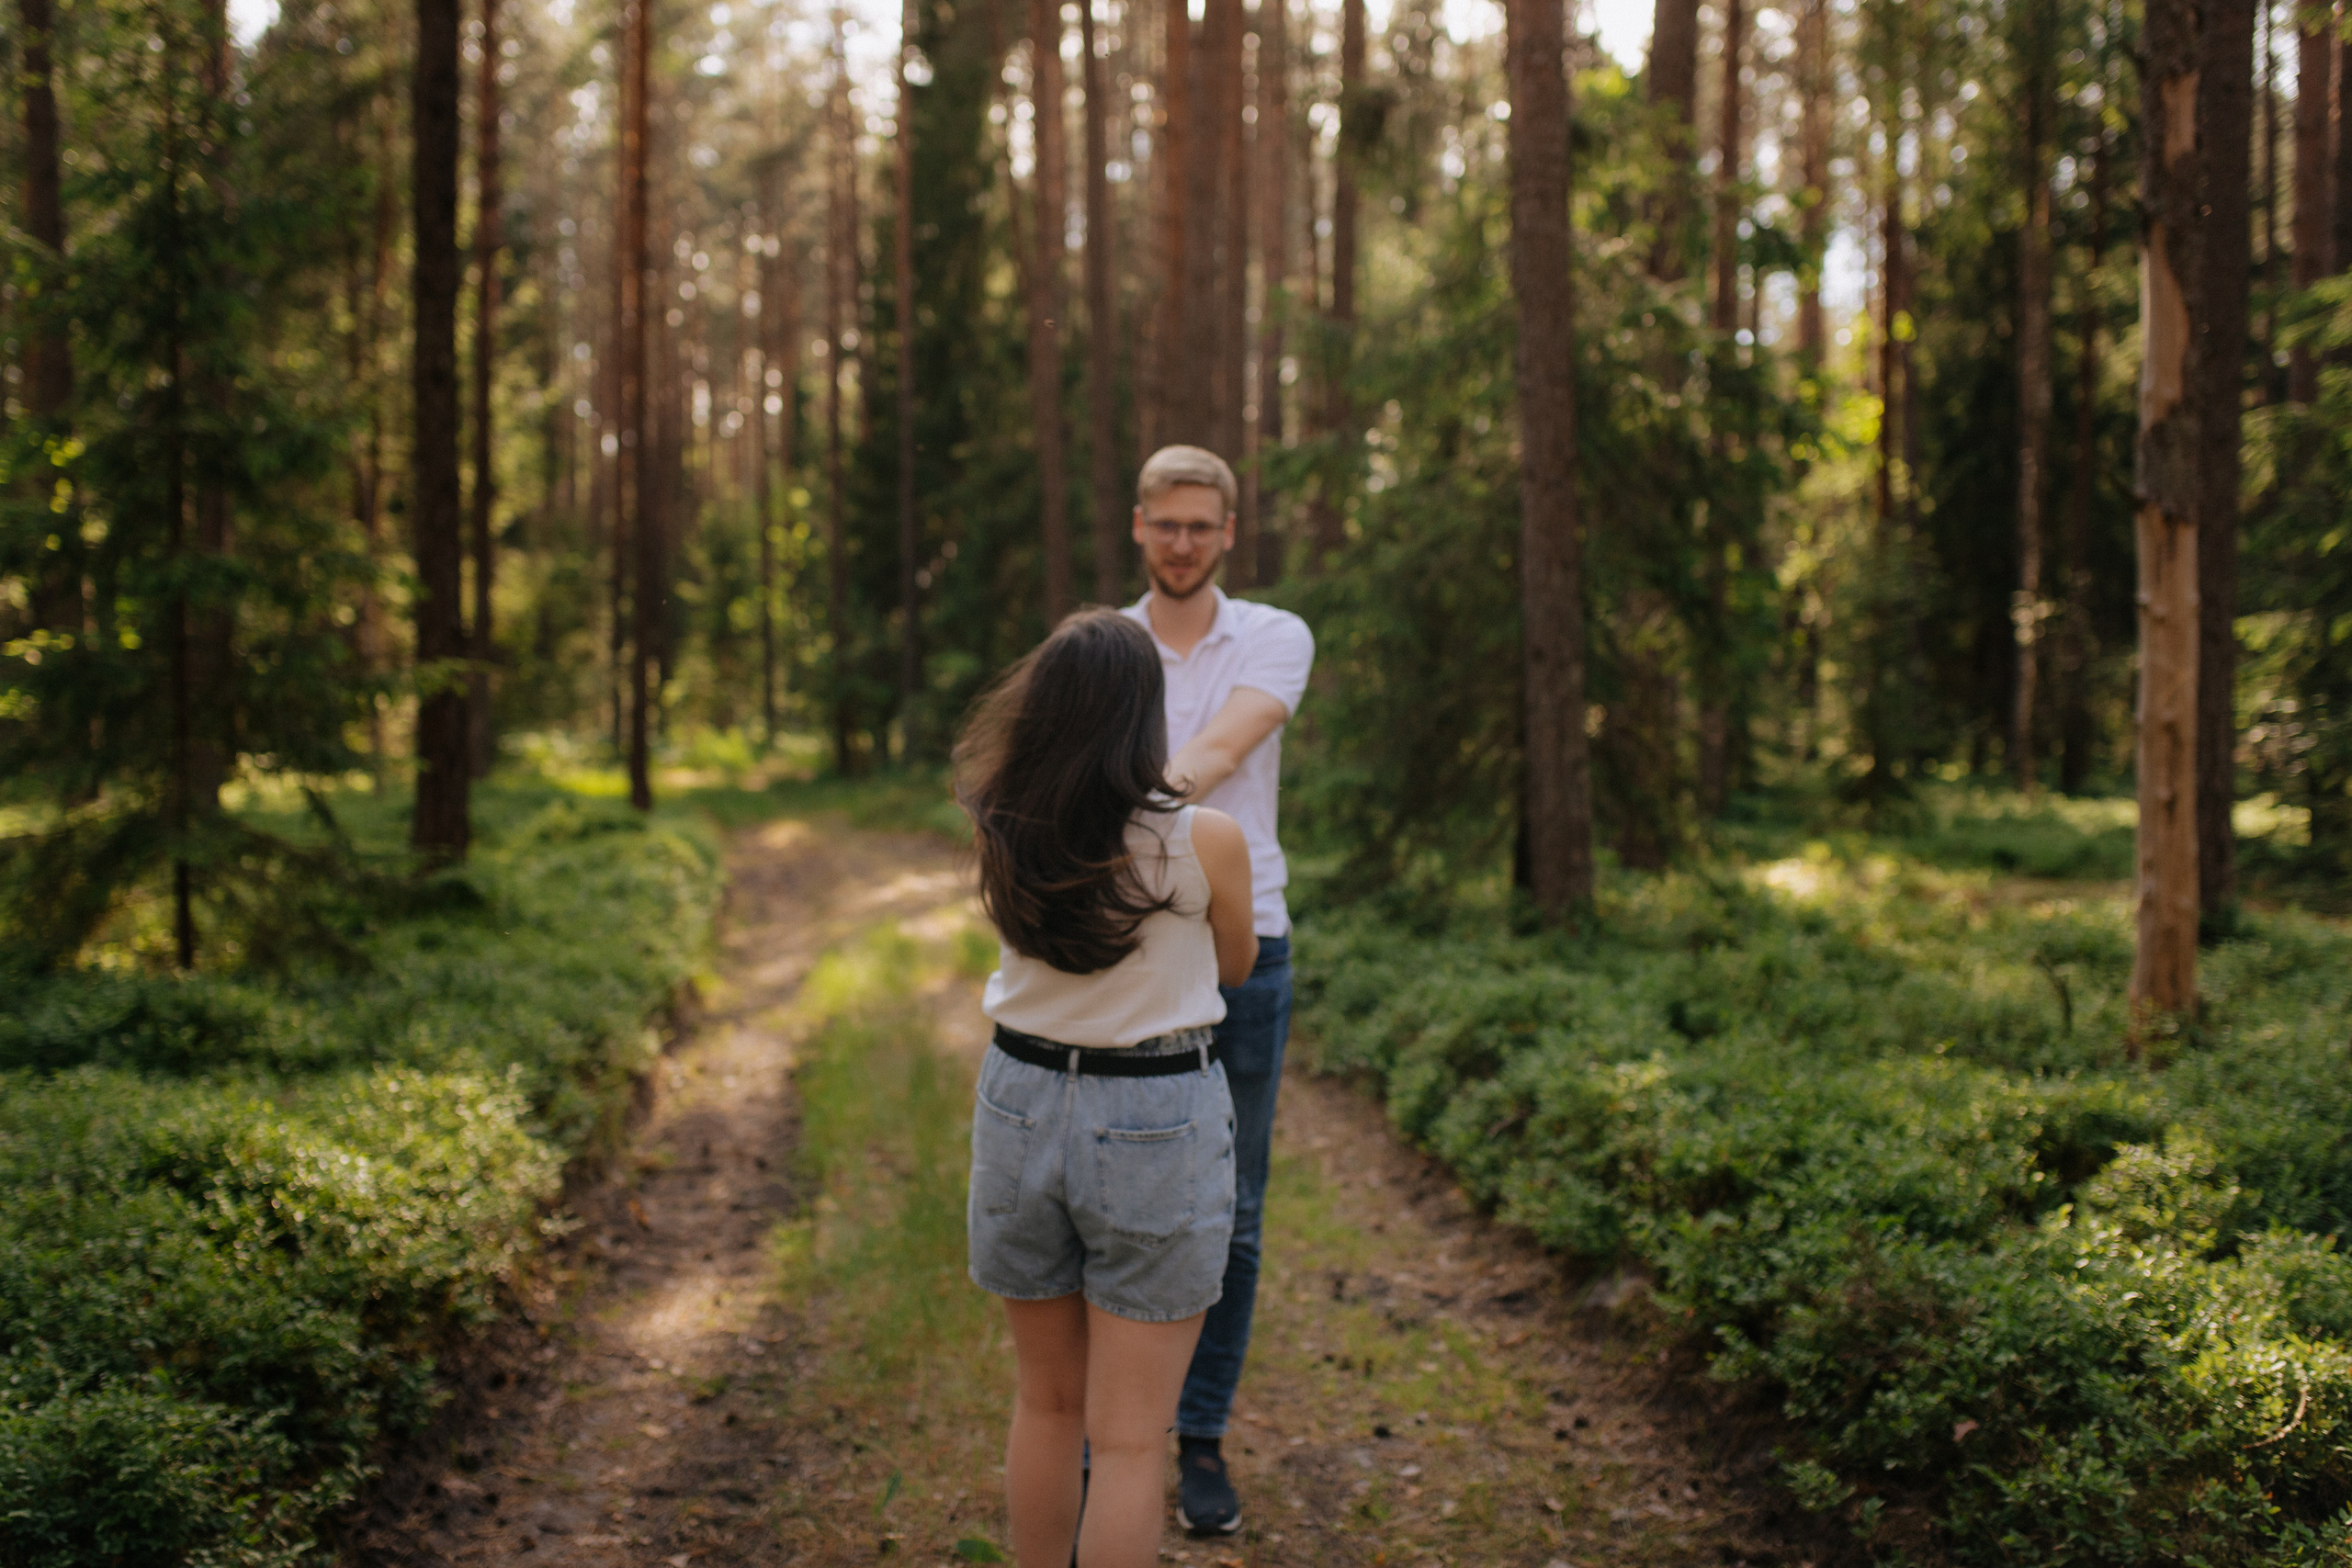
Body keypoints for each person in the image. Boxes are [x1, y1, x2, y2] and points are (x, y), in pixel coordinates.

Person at [958, 609, 1261, 1568]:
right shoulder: (1204, 838)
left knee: (1044, 1403)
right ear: (1143, 714)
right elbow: (1238, 966)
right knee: (1129, 1440)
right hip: (1153, 1113)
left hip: (1020, 1098)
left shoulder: (1004, 822)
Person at [1117, 446, 1315, 1536]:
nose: (1183, 543)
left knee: (1230, 1213)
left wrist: (1114, 800)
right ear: (1137, 525)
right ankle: (1117, 1437)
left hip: (1249, 940)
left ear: (1229, 531)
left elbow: (1226, 745)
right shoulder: (1101, 643)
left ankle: (1200, 1438)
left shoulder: (1273, 635)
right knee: (1117, 1196)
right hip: (1129, 944)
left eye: (1202, 525)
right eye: (1166, 524)